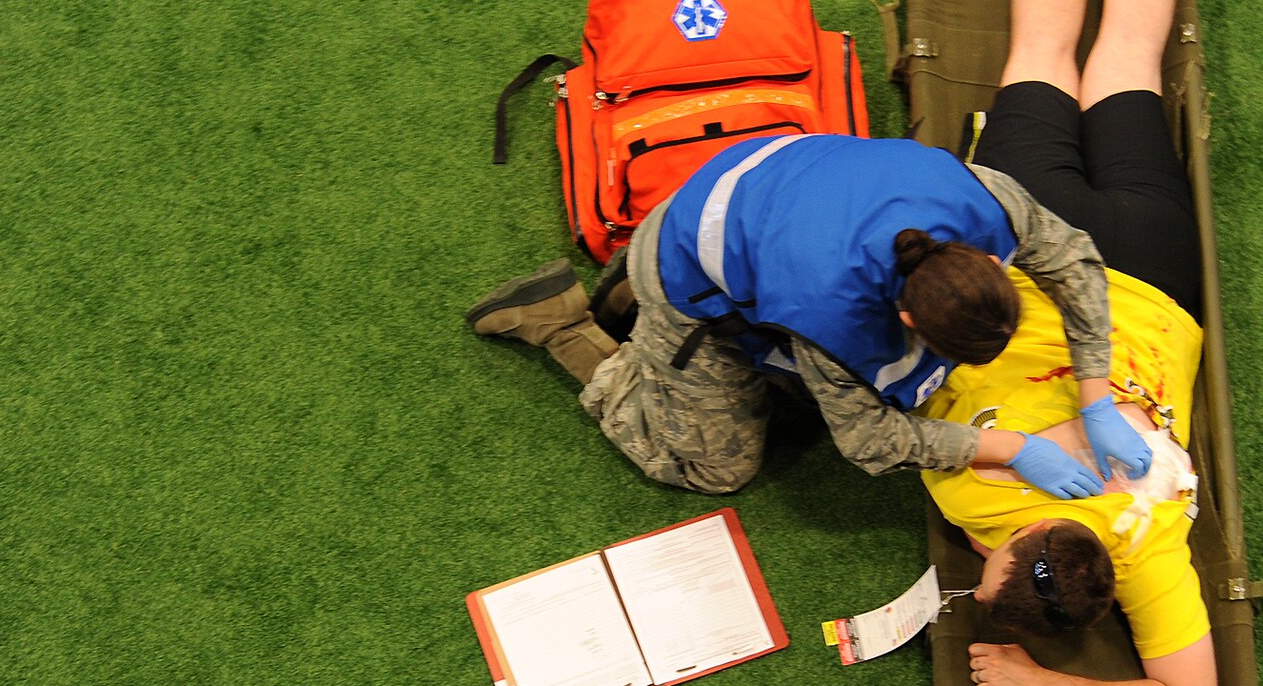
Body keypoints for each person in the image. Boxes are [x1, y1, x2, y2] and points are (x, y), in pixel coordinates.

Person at [921, 0, 1219, 686]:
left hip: (1152, 272)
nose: (978, 553)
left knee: (1124, 65)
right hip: (1040, 251)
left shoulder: (1153, 548)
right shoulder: (969, 492)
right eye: (993, 559)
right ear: (1020, 543)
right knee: (1044, 63)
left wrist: (1051, 677)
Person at [464, 127, 1156, 499]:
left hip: (756, 195)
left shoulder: (984, 199)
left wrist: (1094, 391)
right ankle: (568, 324)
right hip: (691, 267)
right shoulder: (836, 317)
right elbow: (873, 442)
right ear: (906, 321)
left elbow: (1072, 261)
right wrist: (1013, 447)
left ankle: (637, 304)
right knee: (717, 468)